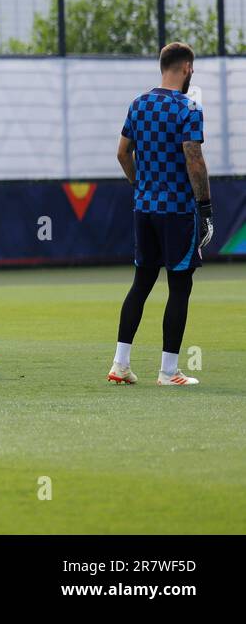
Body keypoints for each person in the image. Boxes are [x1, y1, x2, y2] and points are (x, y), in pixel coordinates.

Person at [109, 42, 214, 387]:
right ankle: (169, 371)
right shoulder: (188, 108)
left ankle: (120, 364)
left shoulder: (138, 105)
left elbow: (123, 153)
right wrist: (206, 208)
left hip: (145, 208)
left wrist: (141, 185)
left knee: (141, 283)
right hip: (178, 210)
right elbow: (193, 158)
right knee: (179, 287)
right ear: (186, 69)